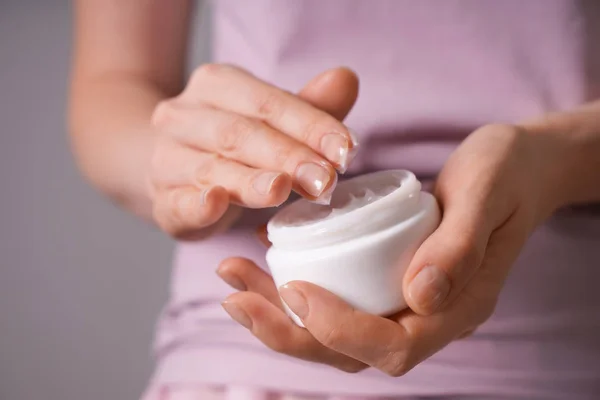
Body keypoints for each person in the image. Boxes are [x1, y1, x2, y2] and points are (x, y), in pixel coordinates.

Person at [69, 1, 600, 399]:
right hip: (243, 361)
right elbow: (115, 81)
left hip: (561, 358)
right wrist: (182, 167)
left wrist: (551, 160)